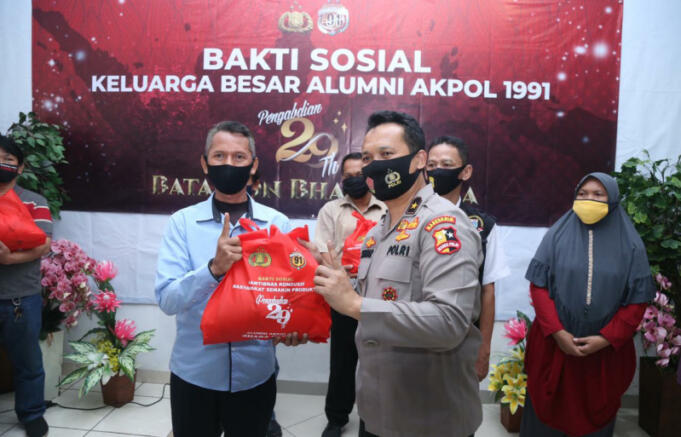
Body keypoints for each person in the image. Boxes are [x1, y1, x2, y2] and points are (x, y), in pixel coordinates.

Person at [309, 111, 484, 437]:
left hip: (429, 417)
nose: (374, 165)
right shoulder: (377, 233)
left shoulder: (442, 223)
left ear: (419, 160)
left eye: (386, 154)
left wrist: (355, 305)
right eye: (367, 157)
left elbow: (449, 322)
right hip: (378, 410)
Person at [155, 121, 306, 437]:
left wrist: (294, 324)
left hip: (255, 375)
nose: (229, 164)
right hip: (195, 374)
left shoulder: (276, 224)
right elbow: (167, 299)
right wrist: (213, 269)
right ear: (204, 163)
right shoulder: (182, 223)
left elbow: (290, 295)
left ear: (253, 165)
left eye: (239, 157)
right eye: (219, 156)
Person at [521, 172, 655, 437]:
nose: (588, 199)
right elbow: (539, 287)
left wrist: (606, 338)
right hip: (554, 347)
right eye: (582, 194)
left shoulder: (631, 244)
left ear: (612, 199)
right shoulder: (557, 235)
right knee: (544, 421)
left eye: (597, 194)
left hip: (602, 356)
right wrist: (558, 332)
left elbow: (637, 301)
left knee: (594, 421)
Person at [426, 136, 510, 381]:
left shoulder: (483, 226)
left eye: (446, 165)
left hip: (463, 338)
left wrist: (484, 349)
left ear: (465, 171)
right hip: (415, 334)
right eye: (431, 165)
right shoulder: (409, 218)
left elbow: (488, 290)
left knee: (458, 401)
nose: (437, 171)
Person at [315, 153, 386, 437]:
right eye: (348, 175)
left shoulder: (387, 208)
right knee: (342, 360)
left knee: (377, 362)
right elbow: (323, 251)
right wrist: (340, 278)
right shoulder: (331, 210)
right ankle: (336, 418)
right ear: (341, 178)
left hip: (380, 296)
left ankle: (372, 421)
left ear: (370, 177)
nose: (354, 179)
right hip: (343, 294)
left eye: (360, 174)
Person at [0, 135, 52, 437]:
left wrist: (9, 258)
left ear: (20, 167)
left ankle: (32, 413)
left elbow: (44, 244)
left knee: (28, 361)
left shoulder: (34, 201)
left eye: (8, 160)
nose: (2, 164)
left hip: (21, 297)